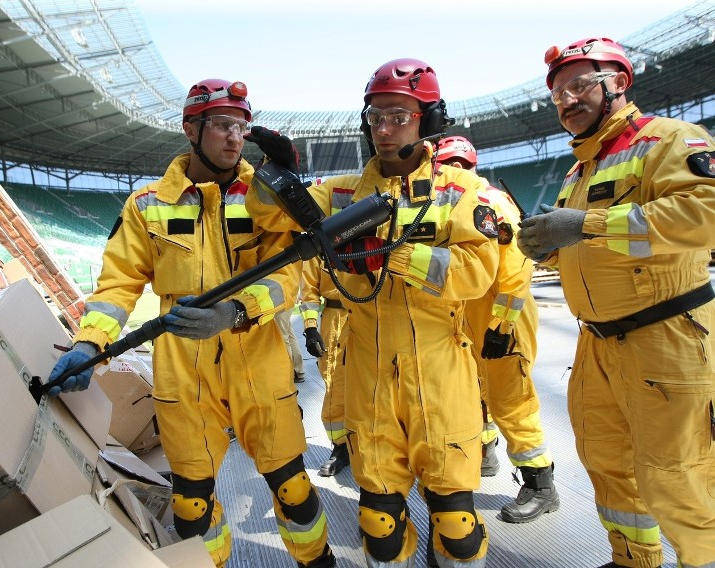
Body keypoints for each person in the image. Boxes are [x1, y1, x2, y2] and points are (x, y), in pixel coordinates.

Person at [46, 78, 335, 568]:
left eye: (241, 127)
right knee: (192, 505)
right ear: (190, 128)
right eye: (222, 125)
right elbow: (117, 287)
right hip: (184, 372)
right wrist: (88, 344)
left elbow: (288, 277)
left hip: (259, 364)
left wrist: (234, 311)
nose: (233, 138)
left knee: (291, 487)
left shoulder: (265, 198)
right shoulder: (146, 204)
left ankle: (319, 562)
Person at [246, 58, 499, 568]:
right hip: (368, 372)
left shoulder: (463, 192)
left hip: (441, 367)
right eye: (375, 117)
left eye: (398, 116)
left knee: (456, 523)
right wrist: (278, 175)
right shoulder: (339, 193)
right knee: (379, 523)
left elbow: (478, 270)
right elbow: (267, 212)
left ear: (426, 121)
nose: (384, 130)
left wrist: (393, 255)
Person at [518, 37, 715, 568]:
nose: (566, 100)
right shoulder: (578, 171)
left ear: (618, 83)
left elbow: (707, 212)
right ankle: (634, 560)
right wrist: (548, 249)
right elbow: (586, 249)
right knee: (609, 465)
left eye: (580, 85)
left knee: (680, 477)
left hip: (666, 338)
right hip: (597, 343)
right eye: (558, 93)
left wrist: (584, 224)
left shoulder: (670, 139)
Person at [436, 135, 560, 524]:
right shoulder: (446, 208)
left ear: (471, 166)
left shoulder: (492, 203)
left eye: (460, 164)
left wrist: (501, 325)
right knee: (474, 392)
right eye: (447, 165)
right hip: (471, 321)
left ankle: (541, 484)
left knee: (511, 399)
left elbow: (516, 270)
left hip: (503, 319)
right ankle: (485, 452)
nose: (454, 171)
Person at [299, 255, 350, 476]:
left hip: (372, 314)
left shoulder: (377, 228)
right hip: (334, 320)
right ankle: (341, 447)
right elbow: (309, 289)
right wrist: (310, 328)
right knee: (336, 384)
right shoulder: (318, 242)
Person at [276, 262, 307, 384]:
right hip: (289, 290)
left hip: (281, 291)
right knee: (287, 330)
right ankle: (298, 370)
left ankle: (288, 373)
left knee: (282, 334)